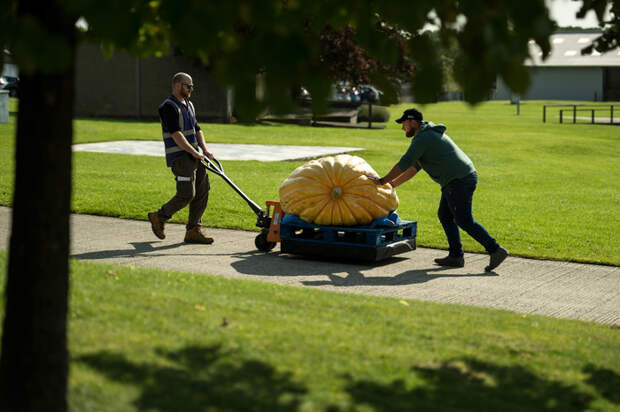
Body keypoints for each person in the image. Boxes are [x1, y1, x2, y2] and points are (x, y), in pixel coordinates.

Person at [367, 108, 508, 271]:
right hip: (456, 179)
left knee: (464, 220)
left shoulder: (423, 138)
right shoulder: (427, 135)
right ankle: (456, 256)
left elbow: (405, 162)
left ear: (413, 122)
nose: (402, 128)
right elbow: (413, 168)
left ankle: (495, 250)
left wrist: (382, 180)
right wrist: (391, 185)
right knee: (445, 215)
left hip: (459, 180)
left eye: (404, 124)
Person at [148, 72, 215, 244]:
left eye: (192, 86)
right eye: (188, 86)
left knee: (202, 190)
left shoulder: (189, 105)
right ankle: (159, 216)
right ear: (177, 85)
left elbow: (197, 129)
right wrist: (193, 152)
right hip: (180, 156)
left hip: (195, 155)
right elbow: (176, 134)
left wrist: (205, 150)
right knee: (186, 193)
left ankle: (193, 230)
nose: (191, 89)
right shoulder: (168, 106)